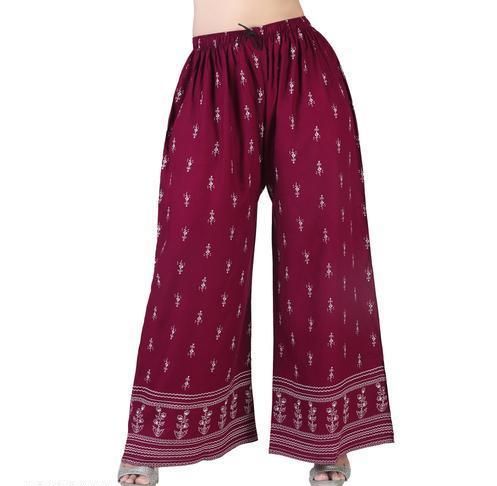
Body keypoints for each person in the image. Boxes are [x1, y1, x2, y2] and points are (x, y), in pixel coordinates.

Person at [118, 1, 395, 484]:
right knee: (191, 256)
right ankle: (155, 433)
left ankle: (329, 433)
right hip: (213, 76)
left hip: (301, 64)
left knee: (324, 249)